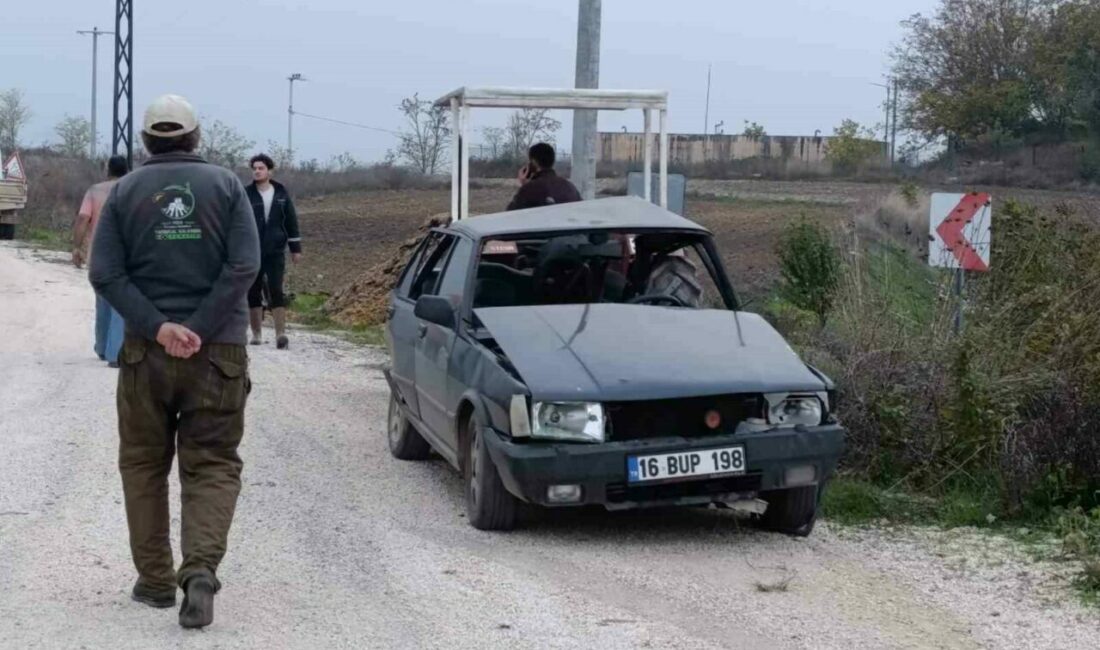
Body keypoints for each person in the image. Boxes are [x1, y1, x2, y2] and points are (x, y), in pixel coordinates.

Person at [89, 94, 260, 629]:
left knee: (143, 464)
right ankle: (201, 571)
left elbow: (105, 273)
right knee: (210, 462)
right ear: (196, 136)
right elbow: (244, 265)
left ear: (145, 141)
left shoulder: (125, 192)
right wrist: (200, 328)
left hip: (145, 351)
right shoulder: (230, 187)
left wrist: (160, 326)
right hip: (220, 354)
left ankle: (156, 581)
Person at [73, 155, 129, 367]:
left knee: (103, 300)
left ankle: (104, 347)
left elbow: (82, 219)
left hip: (98, 254)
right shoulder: (132, 189)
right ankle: (115, 352)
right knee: (121, 302)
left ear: (108, 169)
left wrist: (77, 247)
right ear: (127, 170)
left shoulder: (95, 191)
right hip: (126, 254)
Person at [245, 153, 302, 349]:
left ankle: (280, 334)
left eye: (260, 168)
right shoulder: (246, 194)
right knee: (253, 290)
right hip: (252, 250)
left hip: (275, 250)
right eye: (254, 168)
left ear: (269, 171)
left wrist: (296, 249)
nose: (257, 171)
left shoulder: (281, 193)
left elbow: (291, 221)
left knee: (276, 289)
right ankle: (257, 334)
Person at [506, 142, 582, 211]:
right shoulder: (570, 187)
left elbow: (510, 214)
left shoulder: (529, 189)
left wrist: (524, 185)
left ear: (533, 162)